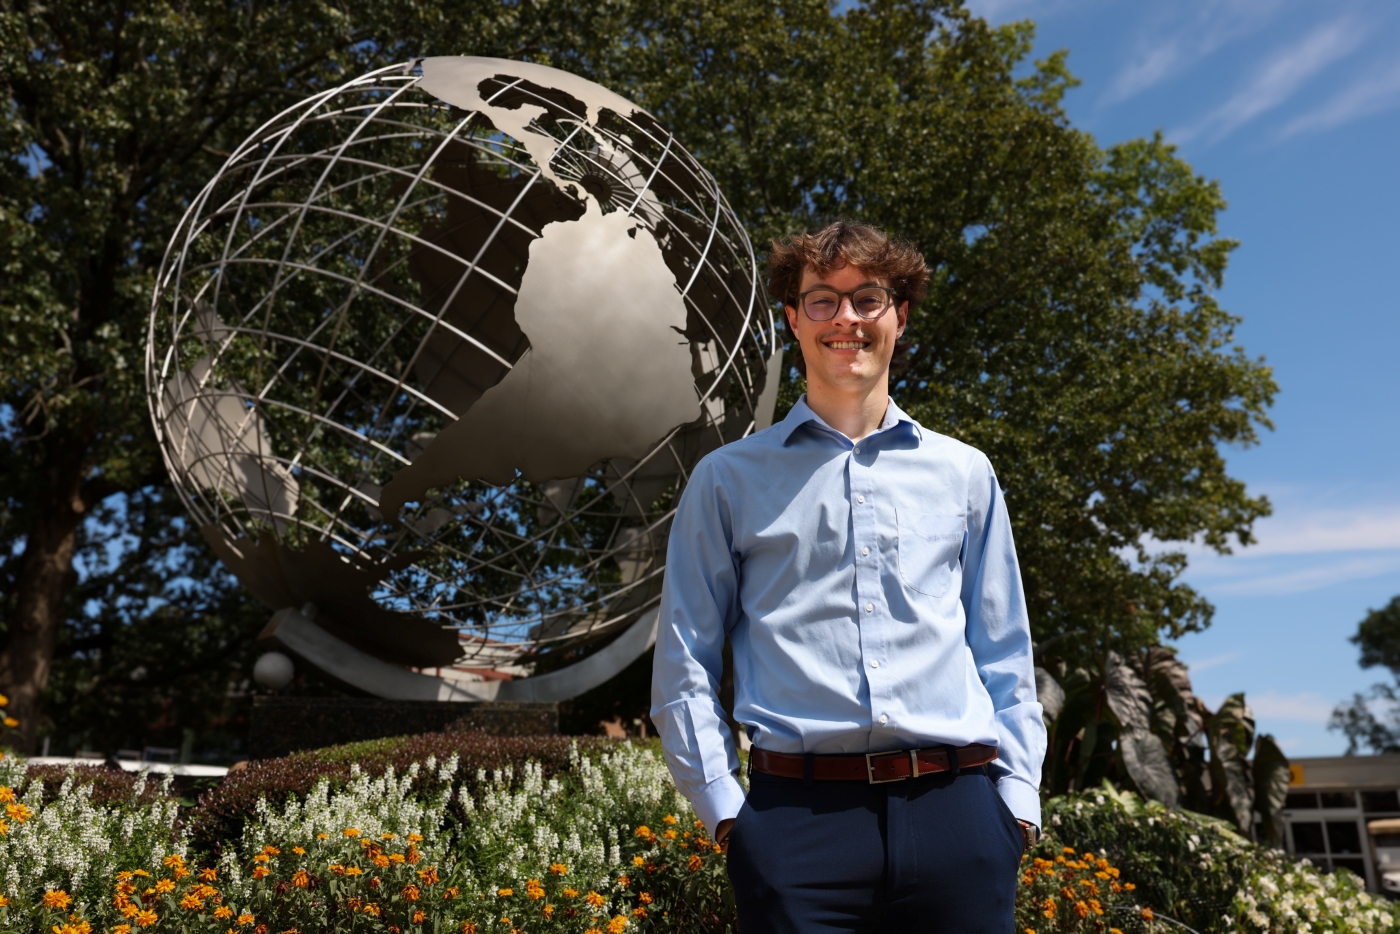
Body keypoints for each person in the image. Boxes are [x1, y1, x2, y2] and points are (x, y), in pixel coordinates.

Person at [650, 221, 1046, 933]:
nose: (847, 320)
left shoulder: (964, 474)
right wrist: (730, 817)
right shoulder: (727, 481)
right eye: (823, 301)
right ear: (794, 319)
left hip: (962, 819)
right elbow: (684, 662)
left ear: (900, 313)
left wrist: (1014, 806)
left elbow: (1005, 654)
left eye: (868, 297)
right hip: (794, 831)